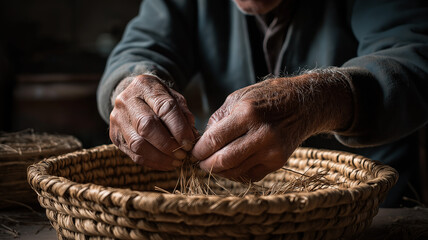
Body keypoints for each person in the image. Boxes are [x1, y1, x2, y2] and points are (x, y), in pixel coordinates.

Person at [97, 0, 428, 207]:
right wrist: (130, 84)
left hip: (371, 206)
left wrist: (321, 99)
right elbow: (140, 49)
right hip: (232, 211)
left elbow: (415, 55)